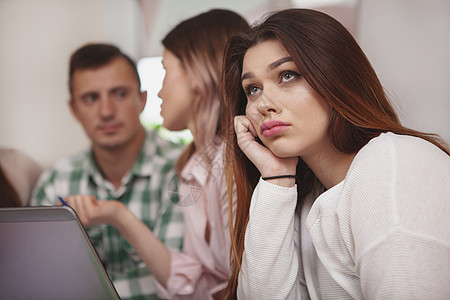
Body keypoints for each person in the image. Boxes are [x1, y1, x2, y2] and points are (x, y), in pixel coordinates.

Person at [221, 8, 450, 300]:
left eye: (287, 75)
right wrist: (276, 177)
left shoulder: (396, 166)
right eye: (252, 89)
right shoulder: (307, 198)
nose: (263, 104)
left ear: (335, 76)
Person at [30, 43, 184, 300]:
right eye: (91, 98)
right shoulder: (56, 182)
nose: (106, 112)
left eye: (120, 94)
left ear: (142, 99)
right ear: (74, 109)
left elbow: (184, 283)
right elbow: (40, 277)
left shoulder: (181, 170)